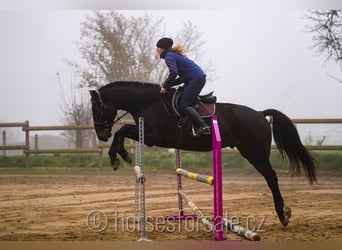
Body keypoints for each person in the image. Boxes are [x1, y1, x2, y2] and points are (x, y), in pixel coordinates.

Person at [157, 37, 211, 136]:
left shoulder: (169, 56)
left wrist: (165, 85)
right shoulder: (173, 55)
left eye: (157, 48)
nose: (157, 51)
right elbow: (181, 78)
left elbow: (174, 72)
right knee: (184, 100)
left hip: (195, 80)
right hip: (195, 79)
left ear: (161, 49)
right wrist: (167, 85)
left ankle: (203, 126)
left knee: (184, 105)